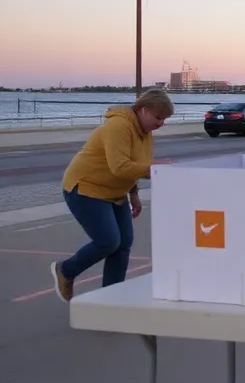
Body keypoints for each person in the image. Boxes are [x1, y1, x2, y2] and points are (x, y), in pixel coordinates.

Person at [49, 88, 174, 302]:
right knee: (108, 241)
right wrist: (155, 166)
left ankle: (112, 298)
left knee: (124, 243)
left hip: (115, 191)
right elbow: (121, 167)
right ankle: (66, 270)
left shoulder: (145, 132)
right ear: (144, 110)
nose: (161, 123)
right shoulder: (119, 126)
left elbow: (135, 163)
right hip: (86, 187)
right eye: (158, 117)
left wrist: (134, 193)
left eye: (165, 119)